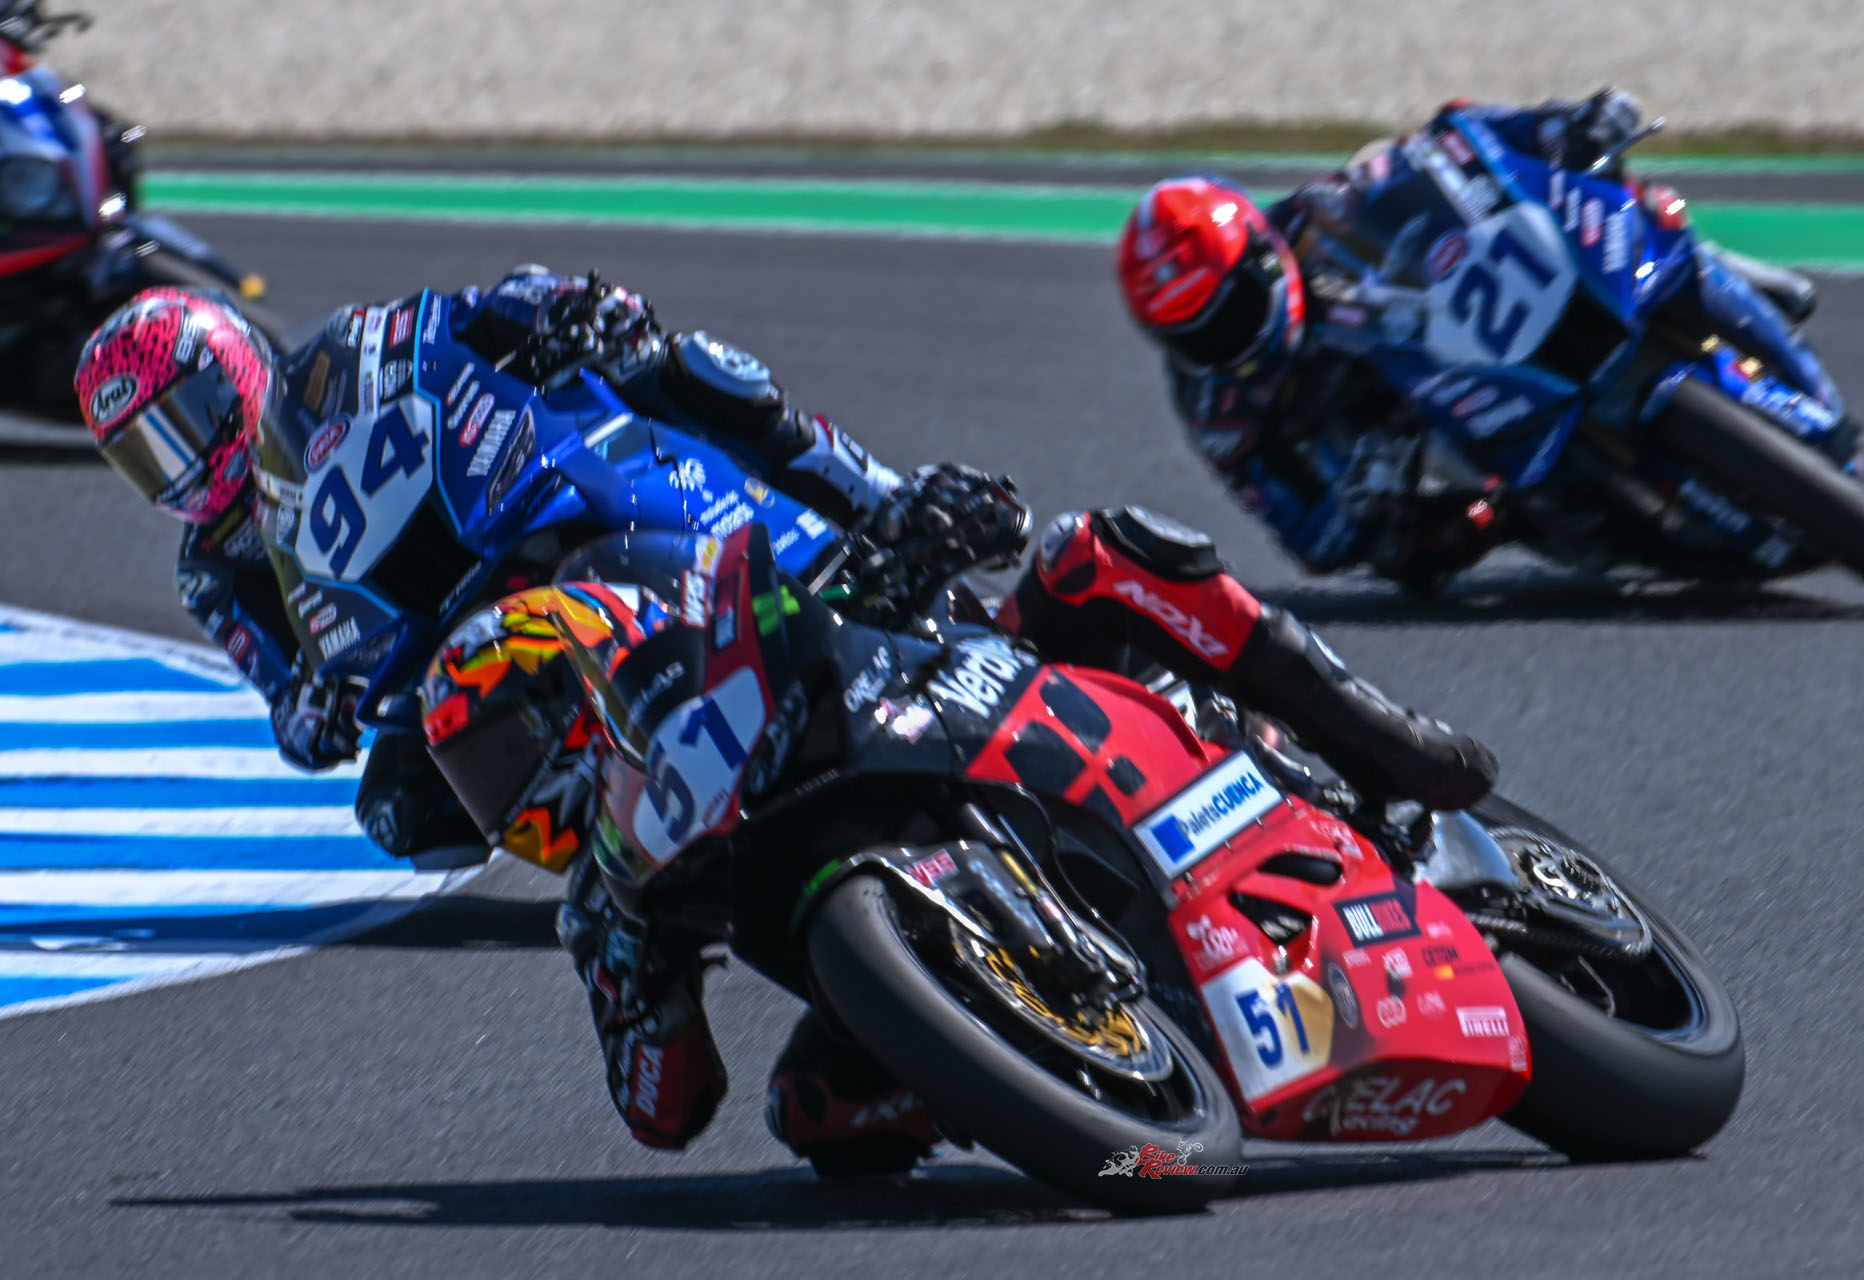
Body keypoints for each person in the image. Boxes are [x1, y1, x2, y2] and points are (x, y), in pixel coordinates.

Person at [422, 467, 1499, 1173]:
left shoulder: (734, 642)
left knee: (1097, 549)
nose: (517, 796)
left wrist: (920, 528)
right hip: (882, 904)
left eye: (513, 748)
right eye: (484, 788)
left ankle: (1378, 739)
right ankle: (1065, 1088)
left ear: (584, 668)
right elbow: (667, 1111)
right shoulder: (610, 902)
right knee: (815, 1112)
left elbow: (926, 541)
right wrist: (638, 991)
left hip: (1011, 713)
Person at [72, 269, 907, 866]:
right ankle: (632, 860)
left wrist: (560, 307)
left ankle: (874, 501)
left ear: (232, 370)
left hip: (492, 511)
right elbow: (283, 705)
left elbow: (453, 319)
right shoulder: (210, 573)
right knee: (402, 813)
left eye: (186, 420)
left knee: (673, 368)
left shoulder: (329, 363)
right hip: (413, 645)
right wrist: (309, 711)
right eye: (146, 453)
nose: (181, 462)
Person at [1115, 89, 1826, 587]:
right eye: (1193, 335)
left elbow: (1454, 140)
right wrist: (1359, 498)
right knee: (1427, 551)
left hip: (1478, 328)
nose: (1221, 341)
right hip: (1415, 438)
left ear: (1262, 259)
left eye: (1229, 311)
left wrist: (1563, 126)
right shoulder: (1216, 408)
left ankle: (1731, 289)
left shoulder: (1326, 210)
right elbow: (1306, 540)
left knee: (1645, 208)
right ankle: (1598, 521)